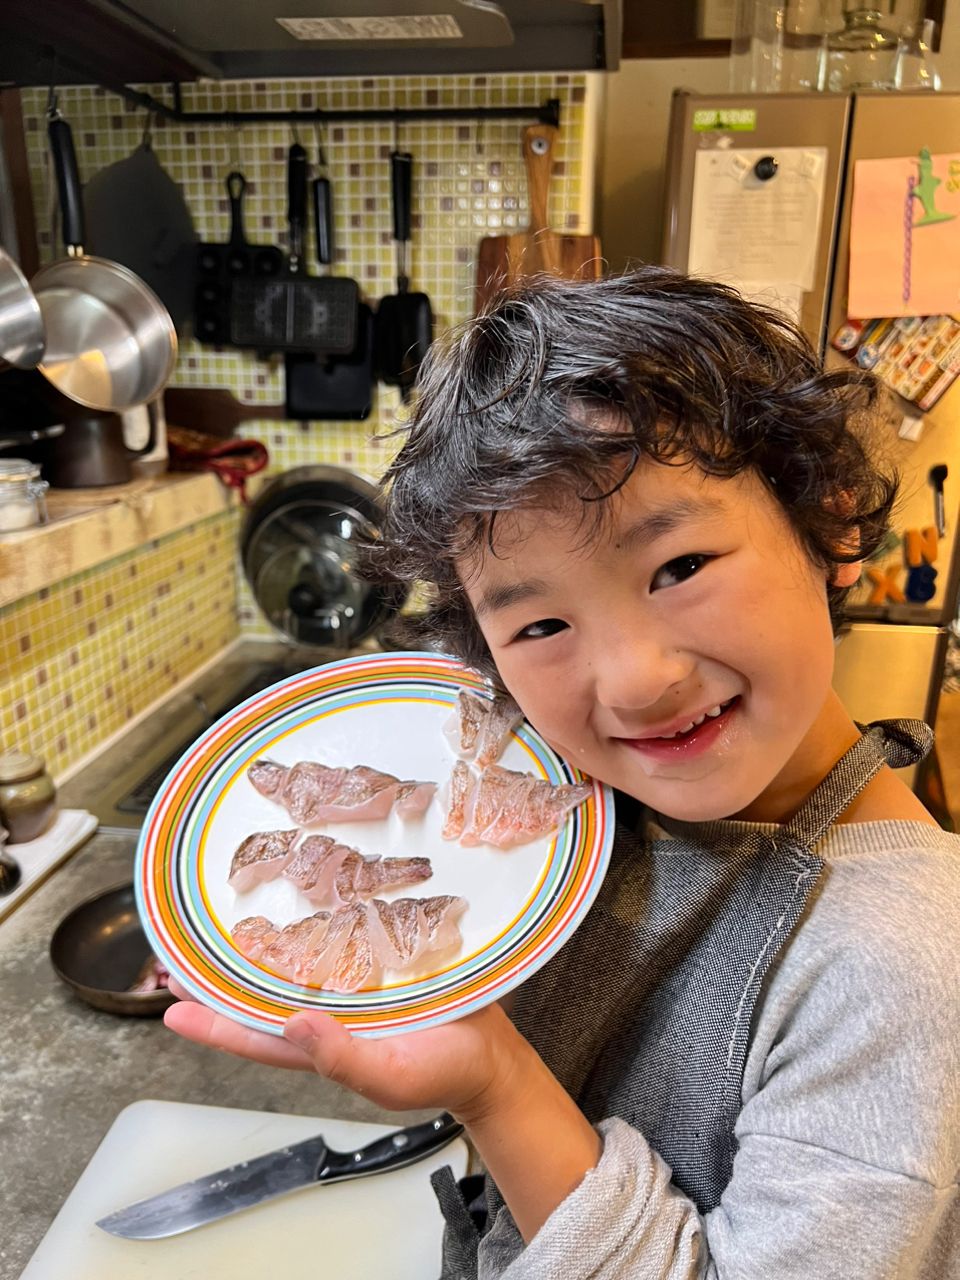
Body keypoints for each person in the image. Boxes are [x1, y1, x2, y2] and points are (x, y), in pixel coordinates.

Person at [165, 269, 960, 1278]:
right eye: (541, 624)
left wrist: (496, 1083)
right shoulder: (607, 793)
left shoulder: (901, 966)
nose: (634, 681)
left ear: (832, 520)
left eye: (680, 566)